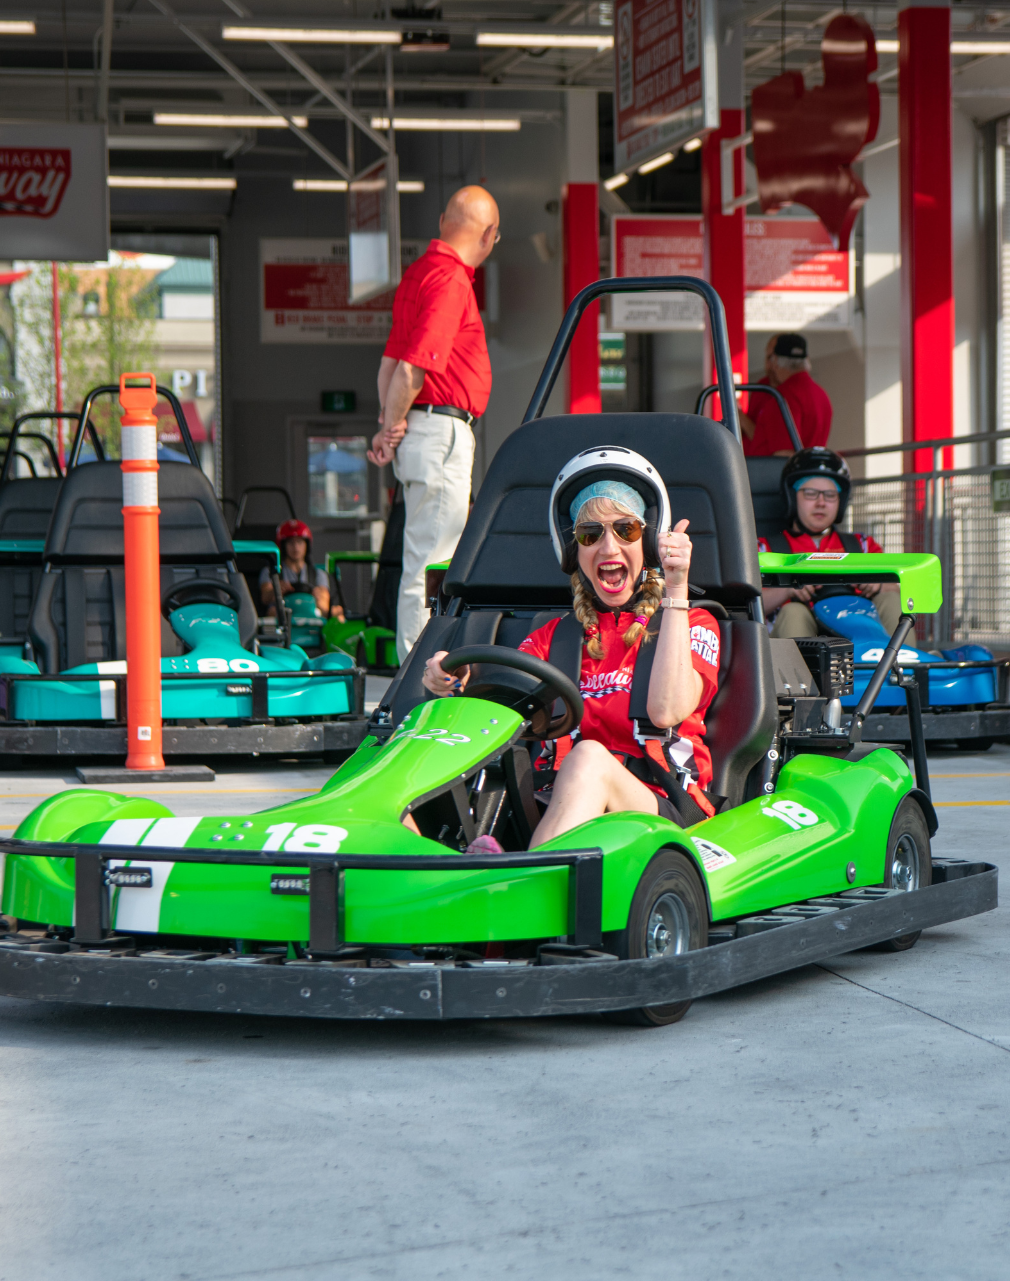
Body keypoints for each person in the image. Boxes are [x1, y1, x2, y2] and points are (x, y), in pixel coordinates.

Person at [420, 451, 722, 848]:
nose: (609, 548)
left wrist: (678, 586)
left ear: (648, 541)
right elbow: (502, 708)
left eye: (626, 530)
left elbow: (667, 710)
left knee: (589, 759)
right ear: (574, 551)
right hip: (558, 800)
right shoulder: (551, 638)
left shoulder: (692, 624)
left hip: (665, 805)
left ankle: (520, 884)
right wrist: (451, 681)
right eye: (590, 535)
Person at [368, 185, 501, 660]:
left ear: (445, 220)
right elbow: (410, 369)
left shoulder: (419, 273)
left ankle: (416, 668)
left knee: (420, 557)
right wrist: (392, 424)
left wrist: (389, 424)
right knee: (432, 563)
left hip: (419, 429)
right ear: (489, 235)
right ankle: (420, 676)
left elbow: (390, 364)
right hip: (440, 430)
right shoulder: (451, 280)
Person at [756, 448, 899, 639]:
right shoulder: (764, 549)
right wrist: (788, 589)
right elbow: (747, 605)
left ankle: (904, 667)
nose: (821, 502)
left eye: (830, 495)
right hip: (796, 644)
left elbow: (902, 590)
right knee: (794, 613)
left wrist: (878, 584)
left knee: (891, 599)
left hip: (859, 633)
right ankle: (803, 670)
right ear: (792, 496)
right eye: (810, 493)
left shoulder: (862, 545)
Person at [742, 332, 832, 457]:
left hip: (774, 474)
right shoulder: (821, 394)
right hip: (810, 471)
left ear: (775, 362)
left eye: (770, 358)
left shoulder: (781, 397)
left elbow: (783, 455)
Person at [257, 518, 336, 617]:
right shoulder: (270, 572)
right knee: (273, 611)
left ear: (307, 545)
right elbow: (265, 597)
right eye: (291, 543)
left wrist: (319, 597)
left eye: (299, 542)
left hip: (311, 620)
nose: (296, 547)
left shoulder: (318, 574)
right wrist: (277, 590)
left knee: (337, 612)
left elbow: (324, 607)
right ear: (283, 545)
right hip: (284, 620)